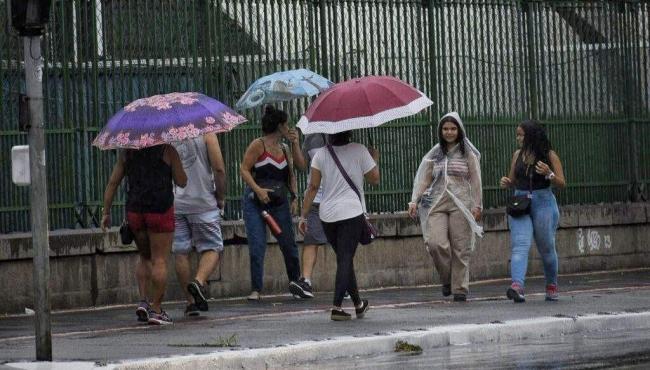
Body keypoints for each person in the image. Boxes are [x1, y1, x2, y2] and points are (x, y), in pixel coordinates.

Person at [101, 145, 187, 325]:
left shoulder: (128, 152)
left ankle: (143, 301)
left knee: (144, 257)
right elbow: (182, 181)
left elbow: (112, 182)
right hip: (160, 210)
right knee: (160, 260)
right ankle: (156, 309)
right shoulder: (167, 151)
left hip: (135, 212)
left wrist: (106, 212)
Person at [299, 131, 379, 321]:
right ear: (350, 132)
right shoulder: (360, 150)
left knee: (345, 258)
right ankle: (336, 306)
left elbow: (312, 187)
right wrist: (374, 158)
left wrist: (303, 216)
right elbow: (374, 179)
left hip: (327, 215)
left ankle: (358, 304)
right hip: (351, 212)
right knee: (345, 258)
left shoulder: (320, 154)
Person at [408, 112, 483, 302]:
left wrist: (477, 205)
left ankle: (460, 289)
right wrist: (414, 200)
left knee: (460, 247)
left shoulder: (468, 153)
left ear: (459, 130)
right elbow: (424, 178)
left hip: (461, 202)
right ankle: (447, 279)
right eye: (445, 129)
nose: (449, 132)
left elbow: (475, 180)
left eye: (453, 128)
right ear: (440, 131)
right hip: (436, 202)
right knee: (435, 243)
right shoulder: (436, 153)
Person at [240, 105, 310, 301]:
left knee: (288, 243)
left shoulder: (285, 148)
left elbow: (299, 168)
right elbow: (244, 169)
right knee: (257, 244)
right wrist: (258, 190)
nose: (289, 128)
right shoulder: (258, 145)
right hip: (256, 201)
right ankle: (256, 289)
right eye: (286, 125)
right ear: (279, 126)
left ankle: (296, 283)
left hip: (279, 202)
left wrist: (295, 144)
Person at [499, 119, 566, 303]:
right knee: (520, 244)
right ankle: (517, 286)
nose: (518, 138)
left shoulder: (549, 155)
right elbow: (513, 179)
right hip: (520, 203)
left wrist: (549, 173)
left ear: (531, 136)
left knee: (546, 247)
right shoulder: (517, 155)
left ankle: (552, 284)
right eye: (517, 135)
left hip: (543, 202)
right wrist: (507, 182)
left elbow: (561, 182)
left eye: (521, 134)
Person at [171, 133, 226, 317]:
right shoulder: (206, 132)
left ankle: (191, 302)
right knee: (213, 247)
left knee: (181, 251)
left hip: (176, 202)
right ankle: (199, 281)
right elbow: (219, 168)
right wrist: (220, 196)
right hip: (203, 202)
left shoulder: (168, 132)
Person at [295, 133, 329, 298]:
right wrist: (295, 143)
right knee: (311, 239)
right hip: (316, 199)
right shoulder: (311, 137)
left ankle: (346, 284)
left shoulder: (343, 133)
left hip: (337, 199)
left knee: (342, 245)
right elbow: (302, 166)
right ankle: (306, 281)